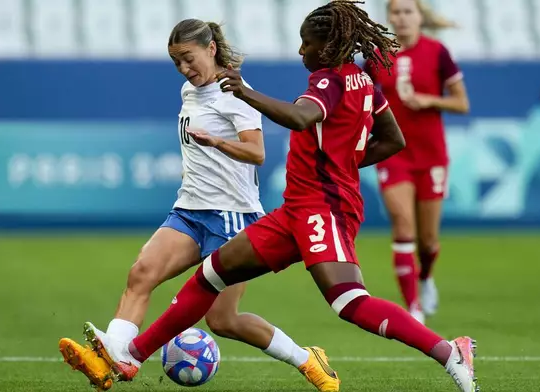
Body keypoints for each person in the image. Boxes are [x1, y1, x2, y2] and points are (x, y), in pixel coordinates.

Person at [66, 2, 478, 392]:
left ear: (328, 47)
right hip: (295, 210)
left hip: (323, 208)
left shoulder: (328, 80)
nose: (301, 51)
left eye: (307, 44)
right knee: (209, 276)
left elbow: (301, 116)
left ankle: (448, 351)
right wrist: (344, 163)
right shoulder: (365, 81)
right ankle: (132, 356)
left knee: (349, 301)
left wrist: (246, 93)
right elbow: (393, 139)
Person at [58, 19, 339, 392]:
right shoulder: (188, 92)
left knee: (223, 321)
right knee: (141, 273)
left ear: (210, 49)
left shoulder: (236, 94)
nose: (184, 69)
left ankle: (307, 359)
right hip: (190, 210)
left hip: (233, 217)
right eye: (176, 62)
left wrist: (216, 143)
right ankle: (112, 359)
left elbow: (257, 153)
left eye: (188, 59)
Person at [364, 0, 470, 322]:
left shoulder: (437, 51)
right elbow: (362, 100)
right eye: (396, 12)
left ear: (419, 17)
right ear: (389, 17)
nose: (402, 17)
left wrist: (429, 100)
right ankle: (413, 308)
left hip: (430, 155)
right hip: (392, 153)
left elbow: (462, 103)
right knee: (402, 223)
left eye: (408, 11)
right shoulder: (376, 56)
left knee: (428, 240)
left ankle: (425, 277)